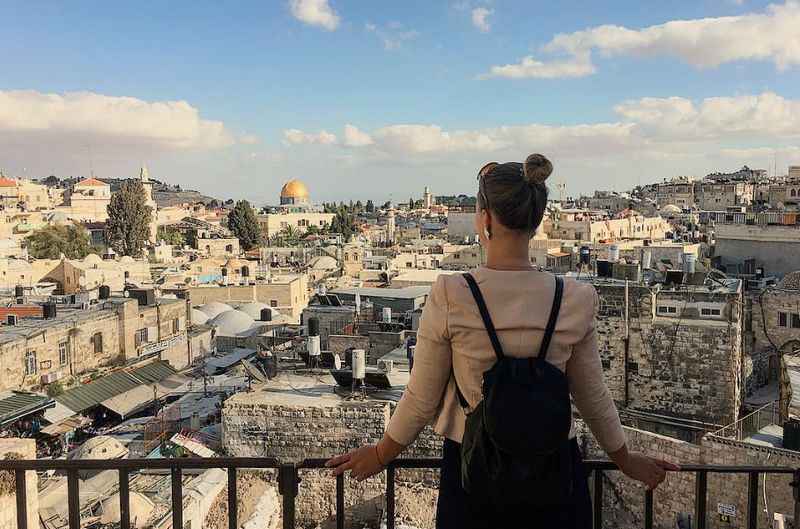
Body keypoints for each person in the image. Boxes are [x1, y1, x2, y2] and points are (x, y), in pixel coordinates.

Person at [327, 154, 679, 528]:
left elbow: (420, 399)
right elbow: (593, 395)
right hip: (554, 475)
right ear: (537, 220)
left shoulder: (452, 294)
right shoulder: (574, 298)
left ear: (486, 219)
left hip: (475, 474)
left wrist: (380, 455)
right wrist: (627, 460)